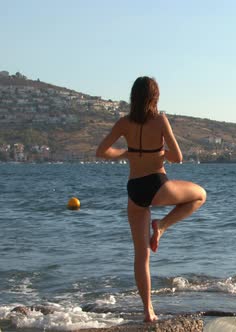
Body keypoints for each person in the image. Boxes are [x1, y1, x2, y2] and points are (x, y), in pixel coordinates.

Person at [96, 76, 207, 322]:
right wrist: (158, 152)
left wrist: (127, 153)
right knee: (200, 195)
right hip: (158, 184)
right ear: (154, 97)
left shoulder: (124, 122)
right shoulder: (160, 120)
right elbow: (177, 157)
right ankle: (162, 225)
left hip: (134, 188)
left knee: (140, 255)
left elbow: (101, 151)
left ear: (133, 97)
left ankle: (148, 311)